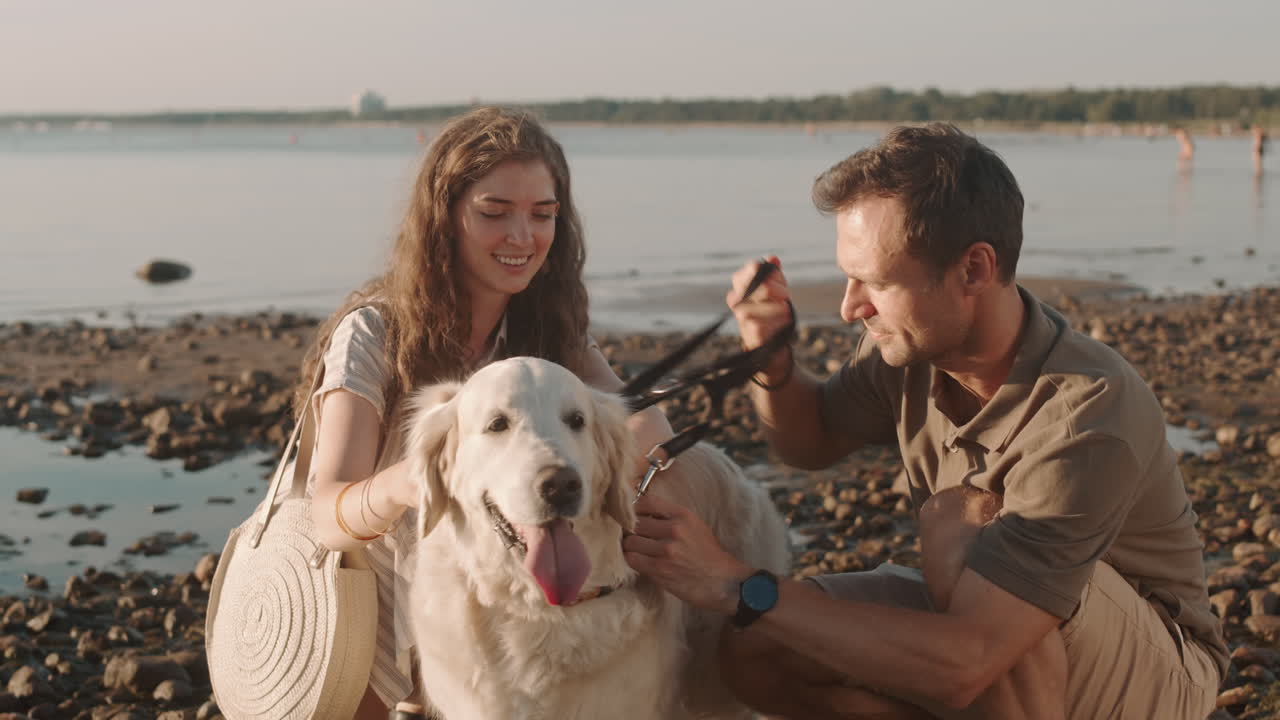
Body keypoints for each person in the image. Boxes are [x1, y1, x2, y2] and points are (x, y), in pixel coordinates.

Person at [623, 123, 1227, 719]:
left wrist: (734, 583)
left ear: (973, 270)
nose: (849, 306)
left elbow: (970, 660)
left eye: (876, 282)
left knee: (957, 524)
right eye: (848, 277)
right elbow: (811, 441)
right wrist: (771, 359)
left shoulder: (1085, 412)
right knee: (760, 646)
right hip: (996, 619)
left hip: (1160, 676)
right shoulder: (912, 350)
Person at [293, 106, 672, 720]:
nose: (522, 237)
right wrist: (409, 483)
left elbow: (651, 438)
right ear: (443, 217)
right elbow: (325, 515)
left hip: (493, 613)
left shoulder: (553, 333)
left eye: (542, 215)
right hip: (369, 607)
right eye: (495, 213)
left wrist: (612, 427)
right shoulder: (374, 333)